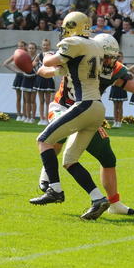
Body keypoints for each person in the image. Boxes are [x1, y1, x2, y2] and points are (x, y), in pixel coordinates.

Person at [37, 33, 134, 215]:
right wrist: (55, 68)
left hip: (87, 111)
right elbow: (44, 70)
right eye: (107, 56)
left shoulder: (113, 68)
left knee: (107, 156)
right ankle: (47, 178)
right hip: (63, 107)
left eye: (113, 57)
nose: (110, 61)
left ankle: (114, 204)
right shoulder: (79, 55)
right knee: (55, 139)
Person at [30, 12, 112, 220]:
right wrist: (41, 69)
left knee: (44, 140)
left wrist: (45, 55)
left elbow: (51, 61)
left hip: (84, 104)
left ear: (71, 26)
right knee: (70, 160)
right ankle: (98, 199)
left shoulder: (74, 43)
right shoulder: (93, 46)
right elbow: (54, 71)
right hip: (97, 108)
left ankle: (55, 189)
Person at [35, 38, 56, 125]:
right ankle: (41, 118)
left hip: (49, 78)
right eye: (44, 45)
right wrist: (36, 70)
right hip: (40, 79)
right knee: (41, 101)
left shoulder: (53, 54)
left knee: (48, 101)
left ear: (50, 46)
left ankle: (47, 119)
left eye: (47, 45)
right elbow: (32, 65)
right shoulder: (39, 55)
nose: (45, 46)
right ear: (42, 46)